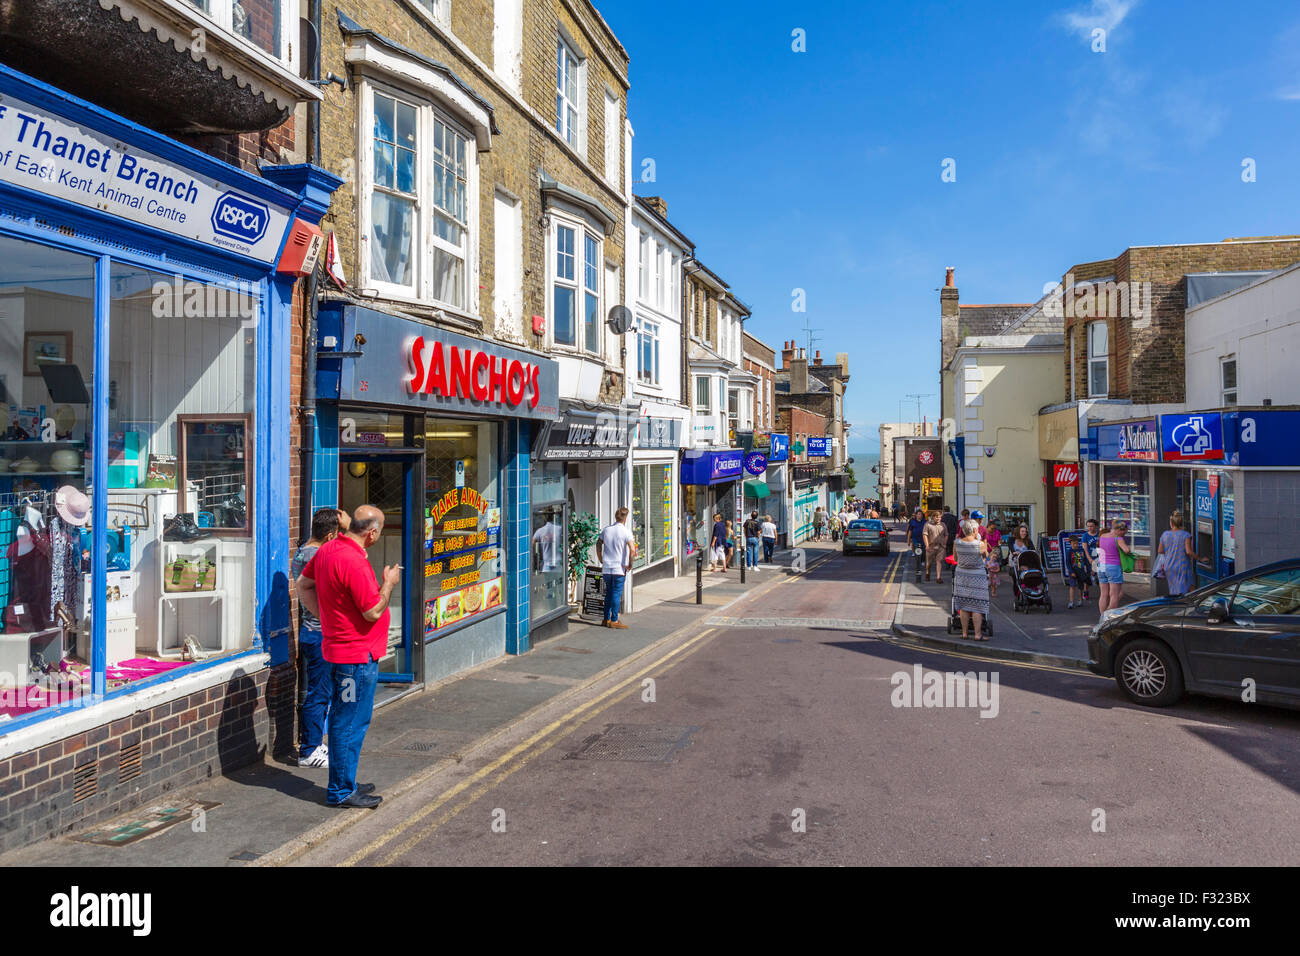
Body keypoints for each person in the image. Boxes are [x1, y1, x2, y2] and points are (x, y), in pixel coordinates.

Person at [296, 504, 400, 809]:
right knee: (349, 721)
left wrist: (327, 619)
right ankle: (341, 790)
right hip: (355, 659)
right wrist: (389, 583)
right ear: (371, 533)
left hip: (342, 651)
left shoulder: (327, 550)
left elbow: (303, 585)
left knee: (347, 718)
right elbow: (372, 611)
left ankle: (346, 779)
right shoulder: (352, 561)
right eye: (378, 532)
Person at [291, 507, 348, 768]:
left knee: (320, 690)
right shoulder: (320, 556)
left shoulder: (302, 551)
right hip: (320, 635)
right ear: (330, 536)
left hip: (311, 632)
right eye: (338, 535)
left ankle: (314, 743)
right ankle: (309, 750)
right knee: (319, 693)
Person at [595, 507, 638, 628]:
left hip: (607, 568)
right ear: (625, 518)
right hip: (619, 568)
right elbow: (632, 549)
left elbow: (598, 544)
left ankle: (605, 619)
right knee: (616, 594)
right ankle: (614, 620)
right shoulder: (626, 532)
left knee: (608, 593)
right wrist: (630, 564)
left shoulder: (606, 530)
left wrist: (601, 559)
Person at [953, 519, 991, 640]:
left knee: (964, 605)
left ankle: (964, 633)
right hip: (977, 577)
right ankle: (977, 634)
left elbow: (955, 558)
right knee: (977, 607)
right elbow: (986, 556)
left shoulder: (957, 542)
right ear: (974, 530)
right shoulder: (979, 544)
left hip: (962, 575)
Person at [1096, 519, 1133, 616]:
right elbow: (1126, 550)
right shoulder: (1118, 538)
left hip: (1101, 566)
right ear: (1120, 530)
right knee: (1114, 595)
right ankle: (1109, 617)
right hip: (1113, 567)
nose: (1124, 535)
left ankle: (1102, 617)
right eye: (1124, 532)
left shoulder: (1103, 536)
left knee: (1103, 594)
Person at [1156, 510, 1195, 596]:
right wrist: (1199, 558)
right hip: (1182, 567)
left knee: (1174, 590)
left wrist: (1171, 549)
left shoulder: (1165, 534)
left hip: (1169, 567)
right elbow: (1189, 551)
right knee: (1189, 589)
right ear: (1181, 523)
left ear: (1171, 523)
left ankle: (1176, 606)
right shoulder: (1186, 535)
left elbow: (1160, 551)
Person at [1064, 535, 1094, 609]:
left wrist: (1089, 570)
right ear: (1070, 543)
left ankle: (1080, 600)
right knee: (1072, 586)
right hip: (1073, 572)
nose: (1076, 545)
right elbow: (1068, 563)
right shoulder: (1069, 551)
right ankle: (1071, 601)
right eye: (1074, 543)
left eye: (1077, 543)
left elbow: (1086, 561)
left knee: (1080, 586)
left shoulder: (1081, 550)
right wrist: (1071, 572)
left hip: (1081, 571)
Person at [923, 510, 948, 583]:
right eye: (937, 517)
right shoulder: (927, 524)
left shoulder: (943, 525)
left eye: (940, 517)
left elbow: (946, 534)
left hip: (941, 547)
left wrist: (944, 543)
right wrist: (927, 545)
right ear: (933, 517)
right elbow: (925, 535)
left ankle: (938, 577)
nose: (938, 519)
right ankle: (927, 573)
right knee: (928, 563)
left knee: (939, 561)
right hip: (931, 546)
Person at [1081, 518, 1101, 600]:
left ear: (1096, 526)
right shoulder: (1085, 535)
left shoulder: (1099, 535)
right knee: (1088, 575)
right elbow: (1085, 548)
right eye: (1088, 526)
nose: (1090, 528)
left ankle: (1103, 593)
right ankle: (1085, 592)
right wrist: (1089, 558)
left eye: (1091, 526)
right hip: (1089, 557)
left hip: (1099, 557)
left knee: (1100, 575)